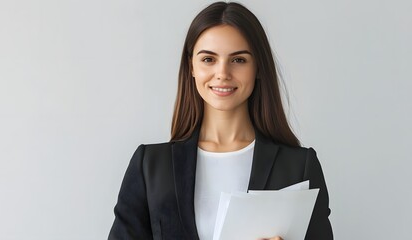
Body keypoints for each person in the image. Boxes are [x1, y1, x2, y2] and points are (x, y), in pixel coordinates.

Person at [108, 2, 333, 240]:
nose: (223, 73)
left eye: (238, 60)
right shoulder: (150, 167)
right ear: (191, 66)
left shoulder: (299, 167)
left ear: (258, 67)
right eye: (208, 59)